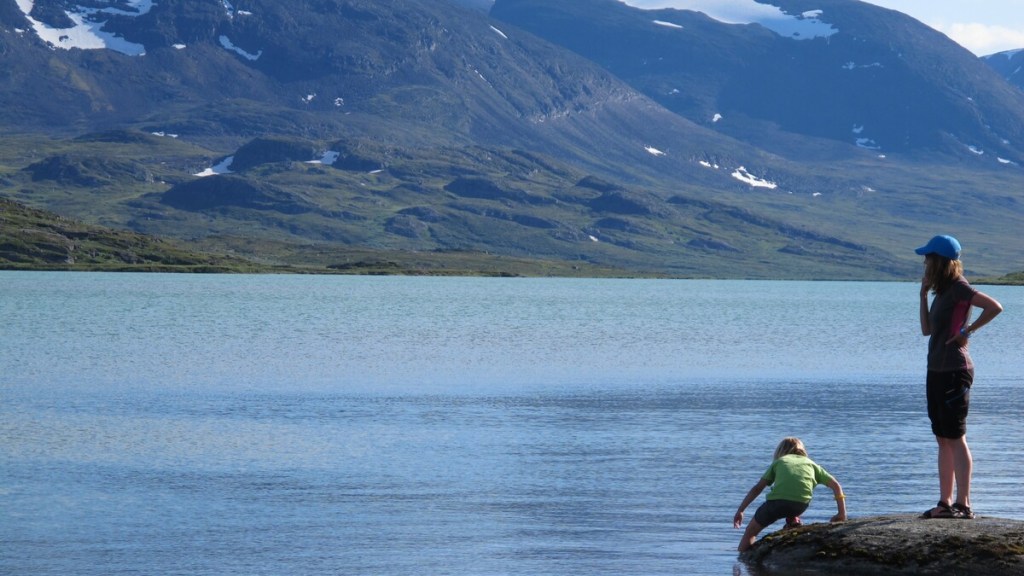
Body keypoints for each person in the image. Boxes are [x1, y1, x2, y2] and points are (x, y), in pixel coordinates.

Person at [916, 234, 1003, 520]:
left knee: (956, 437)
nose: (925, 262)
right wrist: (922, 294)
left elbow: (994, 307)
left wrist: (967, 331)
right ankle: (945, 502)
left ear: (940, 261)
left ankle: (964, 504)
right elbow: (927, 331)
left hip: (956, 371)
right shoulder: (941, 292)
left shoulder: (959, 288)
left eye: (928, 258)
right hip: (936, 370)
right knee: (942, 438)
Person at [733, 437, 846, 552]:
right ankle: (793, 521)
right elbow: (836, 486)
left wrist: (741, 510)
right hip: (800, 505)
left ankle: (742, 559)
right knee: (793, 497)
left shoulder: (780, 461)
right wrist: (841, 514)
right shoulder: (812, 464)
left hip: (776, 505)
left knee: (750, 532)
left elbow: (757, 489)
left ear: (780, 452)